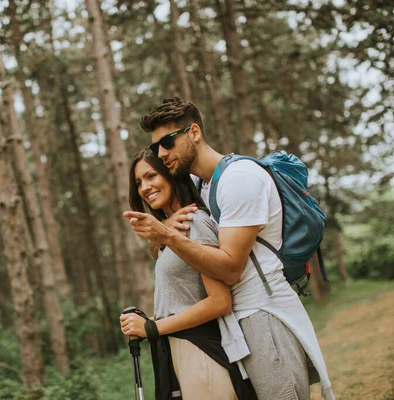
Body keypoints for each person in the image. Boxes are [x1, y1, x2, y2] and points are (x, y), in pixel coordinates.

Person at [123, 97, 335, 400]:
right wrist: (163, 232)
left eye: (168, 141)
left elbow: (230, 267)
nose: (162, 153)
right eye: (157, 146)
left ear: (194, 132)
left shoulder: (239, 179)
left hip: (264, 315)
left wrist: (167, 236)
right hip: (240, 322)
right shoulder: (206, 185)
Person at [120, 148, 256, 400]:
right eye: (139, 182)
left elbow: (219, 302)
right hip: (180, 352)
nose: (144, 187)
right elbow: (186, 298)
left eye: (151, 176)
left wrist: (152, 327)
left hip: (200, 353)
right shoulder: (172, 232)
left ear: (170, 175)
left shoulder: (194, 222)